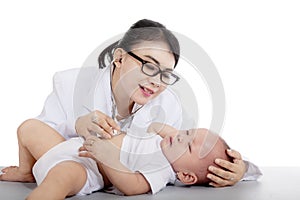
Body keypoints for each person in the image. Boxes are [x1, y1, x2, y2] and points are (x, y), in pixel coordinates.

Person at [1, 18, 260, 189]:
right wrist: (78, 124)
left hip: (90, 175)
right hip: (71, 154)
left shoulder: (169, 105)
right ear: (120, 57)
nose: (157, 82)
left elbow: (201, 151)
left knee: (67, 173)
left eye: (165, 74)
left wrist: (241, 169)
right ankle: (28, 174)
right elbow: (42, 137)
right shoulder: (71, 83)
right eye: (148, 65)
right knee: (30, 127)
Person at [0, 120, 235, 199]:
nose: (180, 136)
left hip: (85, 168)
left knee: (58, 180)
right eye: (187, 132)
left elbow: (133, 187)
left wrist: (106, 158)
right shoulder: (162, 142)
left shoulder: (162, 169)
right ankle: (25, 171)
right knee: (28, 127)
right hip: (68, 147)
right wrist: (176, 135)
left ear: (186, 176)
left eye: (189, 145)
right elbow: (155, 125)